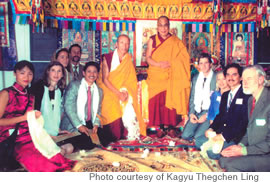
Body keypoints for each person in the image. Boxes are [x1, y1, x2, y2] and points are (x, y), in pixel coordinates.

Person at [0, 61, 75, 171]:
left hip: (30, 137)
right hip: (12, 139)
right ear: (14, 73)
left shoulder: (31, 96)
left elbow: (33, 122)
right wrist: (23, 118)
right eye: (22, 73)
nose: (26, 77)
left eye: (30, 74)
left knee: (57, 158)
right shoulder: (6, 93)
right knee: (43, 165)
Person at [146, 16, 190, 136]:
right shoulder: (152, 40)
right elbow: (148, 58)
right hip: (156, 75)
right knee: (157, 101)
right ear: (157, 27)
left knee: (171, 98)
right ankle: (160, 127)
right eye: (161, 25)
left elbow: (184, 58)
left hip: (172, 75)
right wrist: (158, 64)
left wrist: (173, 63)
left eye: (166, 25)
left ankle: (171, 127)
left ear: (169, 26)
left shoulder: (176, 41)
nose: (163, 28)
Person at [219, 65, 270, 172]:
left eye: (249, 79)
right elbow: (249, 130)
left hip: (266, 154)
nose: (244, 83)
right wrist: (239, 146)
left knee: (231, 165)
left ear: (261, 80)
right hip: (254, 149)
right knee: (223, 160)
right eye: (244, 79)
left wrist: (243, 151)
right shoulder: (251, 100)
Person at [96, 34, 146, 142]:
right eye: (122, 43)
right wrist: (118, 94)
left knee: (128, 105)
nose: (124, 45)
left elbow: (130, 81)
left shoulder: (127, 60)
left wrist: (125, 92)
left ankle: (126, 132)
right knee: (115, 132)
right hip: (107, 90)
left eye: (127, 43)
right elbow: (105, 80)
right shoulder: (107, 58)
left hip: (121, 91)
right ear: (116, 44)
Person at [196, 63, 250, 160]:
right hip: (220, 131)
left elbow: (243, 123)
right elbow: (220, 116)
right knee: (198, 141)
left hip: (234, 136)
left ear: (241, 77)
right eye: (228, 75)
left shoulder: (246, 95)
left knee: (211, 153)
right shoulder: (225, 95)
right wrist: (211, 128)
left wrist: (223, 136)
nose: (230, 77)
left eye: (234, 74)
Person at [61, 62, 110, 148]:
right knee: (87, 144)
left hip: (89, 123)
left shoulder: (99, 91)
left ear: (98, 74)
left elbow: (98, 109)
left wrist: (96, 124)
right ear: (84, 73)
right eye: (89, 71)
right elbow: (68, 107)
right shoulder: (74, 86)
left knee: (106, 139)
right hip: (73, 123)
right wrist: (79, 126)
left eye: (95, 72)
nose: (92, 74)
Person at [30, 61, 73, 155]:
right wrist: (45, 134)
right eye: (53, 70)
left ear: (62, 75)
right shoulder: (39, 87)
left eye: (59, 71)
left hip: (53, 133)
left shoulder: (59, 90)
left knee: (70, 148)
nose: (56, 74)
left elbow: (55, 114)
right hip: (38, 132)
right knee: (60, 152)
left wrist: (59, 130)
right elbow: (32, 116)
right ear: (48, 72)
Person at [181, 53, 216, 142]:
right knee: (185, 135)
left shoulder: (216, 77)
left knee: (198, 137)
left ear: (211, 64)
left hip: (209, 112)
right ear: (198, 65)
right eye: (201, 63)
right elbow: (192, 97)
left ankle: (200, 135)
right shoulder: (196, 78)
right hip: (197, 111)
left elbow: (218, 101)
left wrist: (206, 115)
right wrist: (191, 114)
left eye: (206, 63)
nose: (203, 66)